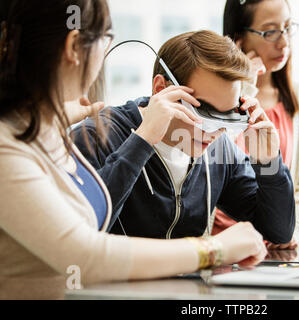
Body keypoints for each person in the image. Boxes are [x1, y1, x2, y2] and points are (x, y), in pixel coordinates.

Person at [0, 0, 267, 300]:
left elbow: (85, 217)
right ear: (75, 46)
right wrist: (215, 249)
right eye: (106, 38)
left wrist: (51, 121)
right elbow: (84, 255)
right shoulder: (8, 148)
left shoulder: (39, 131)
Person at [72, 30, 295, 245]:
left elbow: (278, 231)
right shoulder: (97, 136)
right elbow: (82, 230)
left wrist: (269, 162)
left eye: (226, 117)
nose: (214, 132)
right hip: (113, 282)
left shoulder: (220, 149)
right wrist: (143, 141)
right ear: (161, 89)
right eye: (204, 113)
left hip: (190, 281)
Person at [214, 0, 299, 254]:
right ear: (238, 38)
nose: (283, 42)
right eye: (270, 31)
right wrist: (244, 85)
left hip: (279, 247)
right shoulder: (217, 97)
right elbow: (217, 154)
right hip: (220, 245)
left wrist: (291, 231)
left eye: (287, 28)